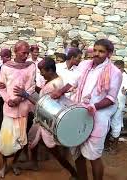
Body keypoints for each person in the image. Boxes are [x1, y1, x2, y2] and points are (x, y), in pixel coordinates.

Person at [51, 39, 122, 180]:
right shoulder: (85, 65)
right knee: (76, 152)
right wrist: (61, 91)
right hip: (78, 114)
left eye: (101, 51)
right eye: (95, 50)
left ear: (109, 54)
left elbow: (111, 98)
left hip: (98, 118)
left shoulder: (115, 72)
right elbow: (74, 81)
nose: (96, 54)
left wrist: (94, 106)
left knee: (93, 156)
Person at [13, 57, 78, 179]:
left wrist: (25, 94)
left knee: (54, 151)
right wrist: (33, 87)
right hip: (42, 120)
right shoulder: (54, 80)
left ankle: (74, 173)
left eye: (43, 72)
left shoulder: (54, 85)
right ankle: (33, 163)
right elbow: (44, 93)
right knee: (32, 139)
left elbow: (45, 107)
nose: (42, 75)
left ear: (50, 70)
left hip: (47, 122)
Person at [0, 40, 36, 178]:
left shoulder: (31, 66)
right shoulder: (6, 67)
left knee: (20, 139)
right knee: (6, 141)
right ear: (15, 51)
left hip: (23, 109)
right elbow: (1, 87)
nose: (26, 56)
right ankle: (4, 166)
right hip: (9, 109)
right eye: (23, 53)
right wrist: (9, 100)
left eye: (27, 53)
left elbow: (31, 87)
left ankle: (13, 163)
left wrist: (20, 99)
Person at [108, 60, 127, 153]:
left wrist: (125, 92)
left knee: (116, 123)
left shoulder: (126, 78)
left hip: (119, 104)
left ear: (122, 68)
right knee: (107, 122)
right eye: (115, 68)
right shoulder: (112, 74)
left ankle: (114, 146)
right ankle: (106, 144)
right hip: (110, 102)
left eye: (118, 68)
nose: (116, 70)